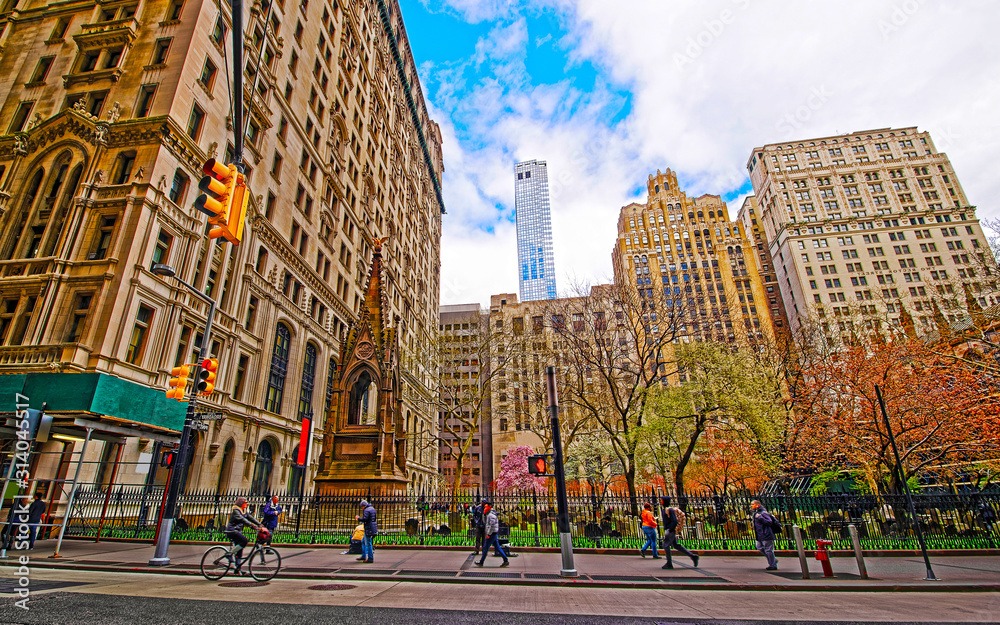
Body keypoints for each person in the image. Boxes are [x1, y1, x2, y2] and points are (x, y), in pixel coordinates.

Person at [224, 497, 262, 574]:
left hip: (237, 531)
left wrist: (259, 524)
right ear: (241, 503)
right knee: (244, 541)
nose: (247, 504)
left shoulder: (243, 511)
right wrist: (252, 525)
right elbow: (242, 519)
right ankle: (229, 554)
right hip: (232, 531)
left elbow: (250, 518)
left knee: (240, 550)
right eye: (245, 502)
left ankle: (237, 569)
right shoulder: (236, 511)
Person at [659, 497, 698, 570]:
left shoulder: (669, 510)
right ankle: (693, 556)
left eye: (662, 500)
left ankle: (669, 563)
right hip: (669, 529)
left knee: (666, 545)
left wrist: (670, 529)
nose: (660, 501)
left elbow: (674, 521)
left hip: (670, 530)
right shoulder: (664, 510)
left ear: (665, 501)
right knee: (676, 545)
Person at [751, 499, 779, 570]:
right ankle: (772, 560)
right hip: (760, 535)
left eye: (753, 504)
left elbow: (769, 522)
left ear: (757, 505)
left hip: (766, 534)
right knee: (759, 547)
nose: (751, 506)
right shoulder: (757, 512)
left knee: (768, 550)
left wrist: (760, 518)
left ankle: (773, 565)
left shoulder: (763, 513)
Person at [357, 499, 377, 563]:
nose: (362, 508)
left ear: (364, 506)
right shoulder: (372, 509)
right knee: (363, 541)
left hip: (369, 528)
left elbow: (365, 519)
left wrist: (358, 518)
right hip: (373, 527)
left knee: (368, 543)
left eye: (362, 507)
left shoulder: (366, 510)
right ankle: (363, 556)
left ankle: (370, 558)